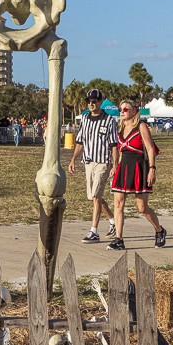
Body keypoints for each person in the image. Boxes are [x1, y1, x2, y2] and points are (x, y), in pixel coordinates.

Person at [107, 99, 167, 251]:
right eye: (121, 109)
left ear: (134, 110)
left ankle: (159, 230)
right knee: (118, 204)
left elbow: (150, 148)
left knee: (142, 208)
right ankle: (119, 239)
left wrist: (152, 168)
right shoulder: (119, 129)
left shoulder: (141, 126)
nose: (122, 111)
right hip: (123, 168)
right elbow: (119, 151)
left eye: (126, 109)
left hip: (140, 167)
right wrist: (115, 167)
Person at [68, 88, 118, 244]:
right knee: (94, 197)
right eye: (89, 101)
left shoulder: (109, 120)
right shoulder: (85, 119)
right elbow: (80, 142)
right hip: (88, 162)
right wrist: (73, 160)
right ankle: (113, 220)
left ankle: (94, 231)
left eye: (94, 101)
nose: (91, 104)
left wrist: (115, 164)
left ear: (100, 102)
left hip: (103, 162)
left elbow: (114, 145)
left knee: (96, 196)